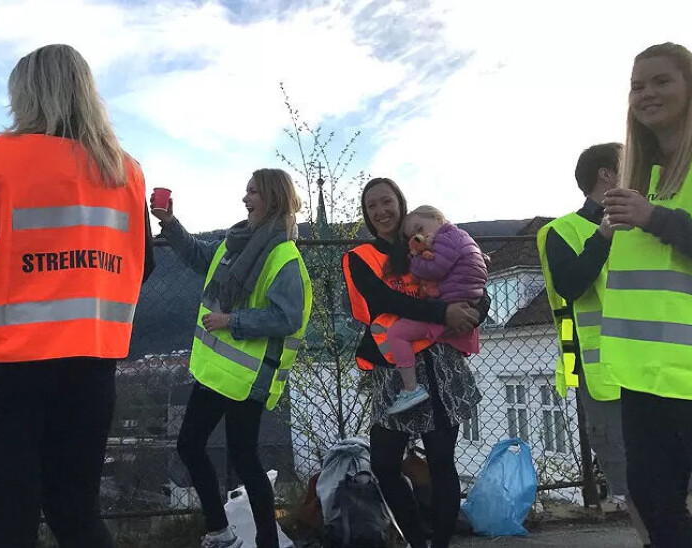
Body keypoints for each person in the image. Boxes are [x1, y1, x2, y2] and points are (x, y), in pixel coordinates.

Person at [0, 44, 155, 547]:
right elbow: (143, 265)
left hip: (0, 366)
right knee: (77, 512)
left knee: (9, 518)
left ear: (27, 95)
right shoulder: (125, 172)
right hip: (90, 364)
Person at [537, 142, 692, 548]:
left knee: (684, 479)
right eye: (632, 163)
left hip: (669, 367)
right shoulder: (562, 232)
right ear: (608, 175)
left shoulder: (655, 220)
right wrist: (604, 237)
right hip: (608, 376)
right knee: (636, 482)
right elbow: (570, 285)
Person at [601, 42, 692, 548]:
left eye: (660, 81)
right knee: (653, 503)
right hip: (644, 375)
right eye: (636, 85)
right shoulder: (641, 176)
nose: (645, 94)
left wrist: (656, 219)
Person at [152, 169, 312, 548]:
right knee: (190, 447)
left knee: (244, 458)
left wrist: (232, 320)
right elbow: (200, 257)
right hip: (217, 372)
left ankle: (266, 542)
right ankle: (220, 531)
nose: (245, 198)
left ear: (272, 198)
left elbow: (288, 317)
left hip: (248, 376)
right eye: (246, 191)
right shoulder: (237, 241)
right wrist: (170, 223)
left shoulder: (283, 256)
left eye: (253, 191)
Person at [342, 177, 488, 548]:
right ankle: (416, 541)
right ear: (366, 212)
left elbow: (471, 278)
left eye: (387, 202)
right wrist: (444, 312)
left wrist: (475, 311)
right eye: (372, 205)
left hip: (440, 364)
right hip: (396, 369)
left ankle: (438, 544)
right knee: (385, 463)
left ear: (400, 203)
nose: (381, 211)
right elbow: (384, 304)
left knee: (441, 461)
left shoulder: (432, 239)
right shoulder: (361, 258)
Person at [383, 205, 487, 414]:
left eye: (419, 228)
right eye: (412, 235)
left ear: (439, 219)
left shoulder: (447, 238)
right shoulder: (462, 238)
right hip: (463, 301)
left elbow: (435, 268)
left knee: (396, 333)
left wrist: (415, 261)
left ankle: (410, 388)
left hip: (452, 303)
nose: (418, 235)